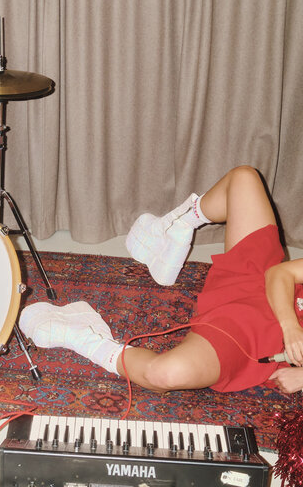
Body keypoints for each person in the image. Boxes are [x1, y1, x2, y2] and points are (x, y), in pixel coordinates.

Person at [19, 165, 303, 394]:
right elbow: (279, 273)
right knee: (244, 179)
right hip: (268, 287)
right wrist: (291, 326)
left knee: (165, 374)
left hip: (256, 338)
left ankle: (85, 337)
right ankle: (174, 227)